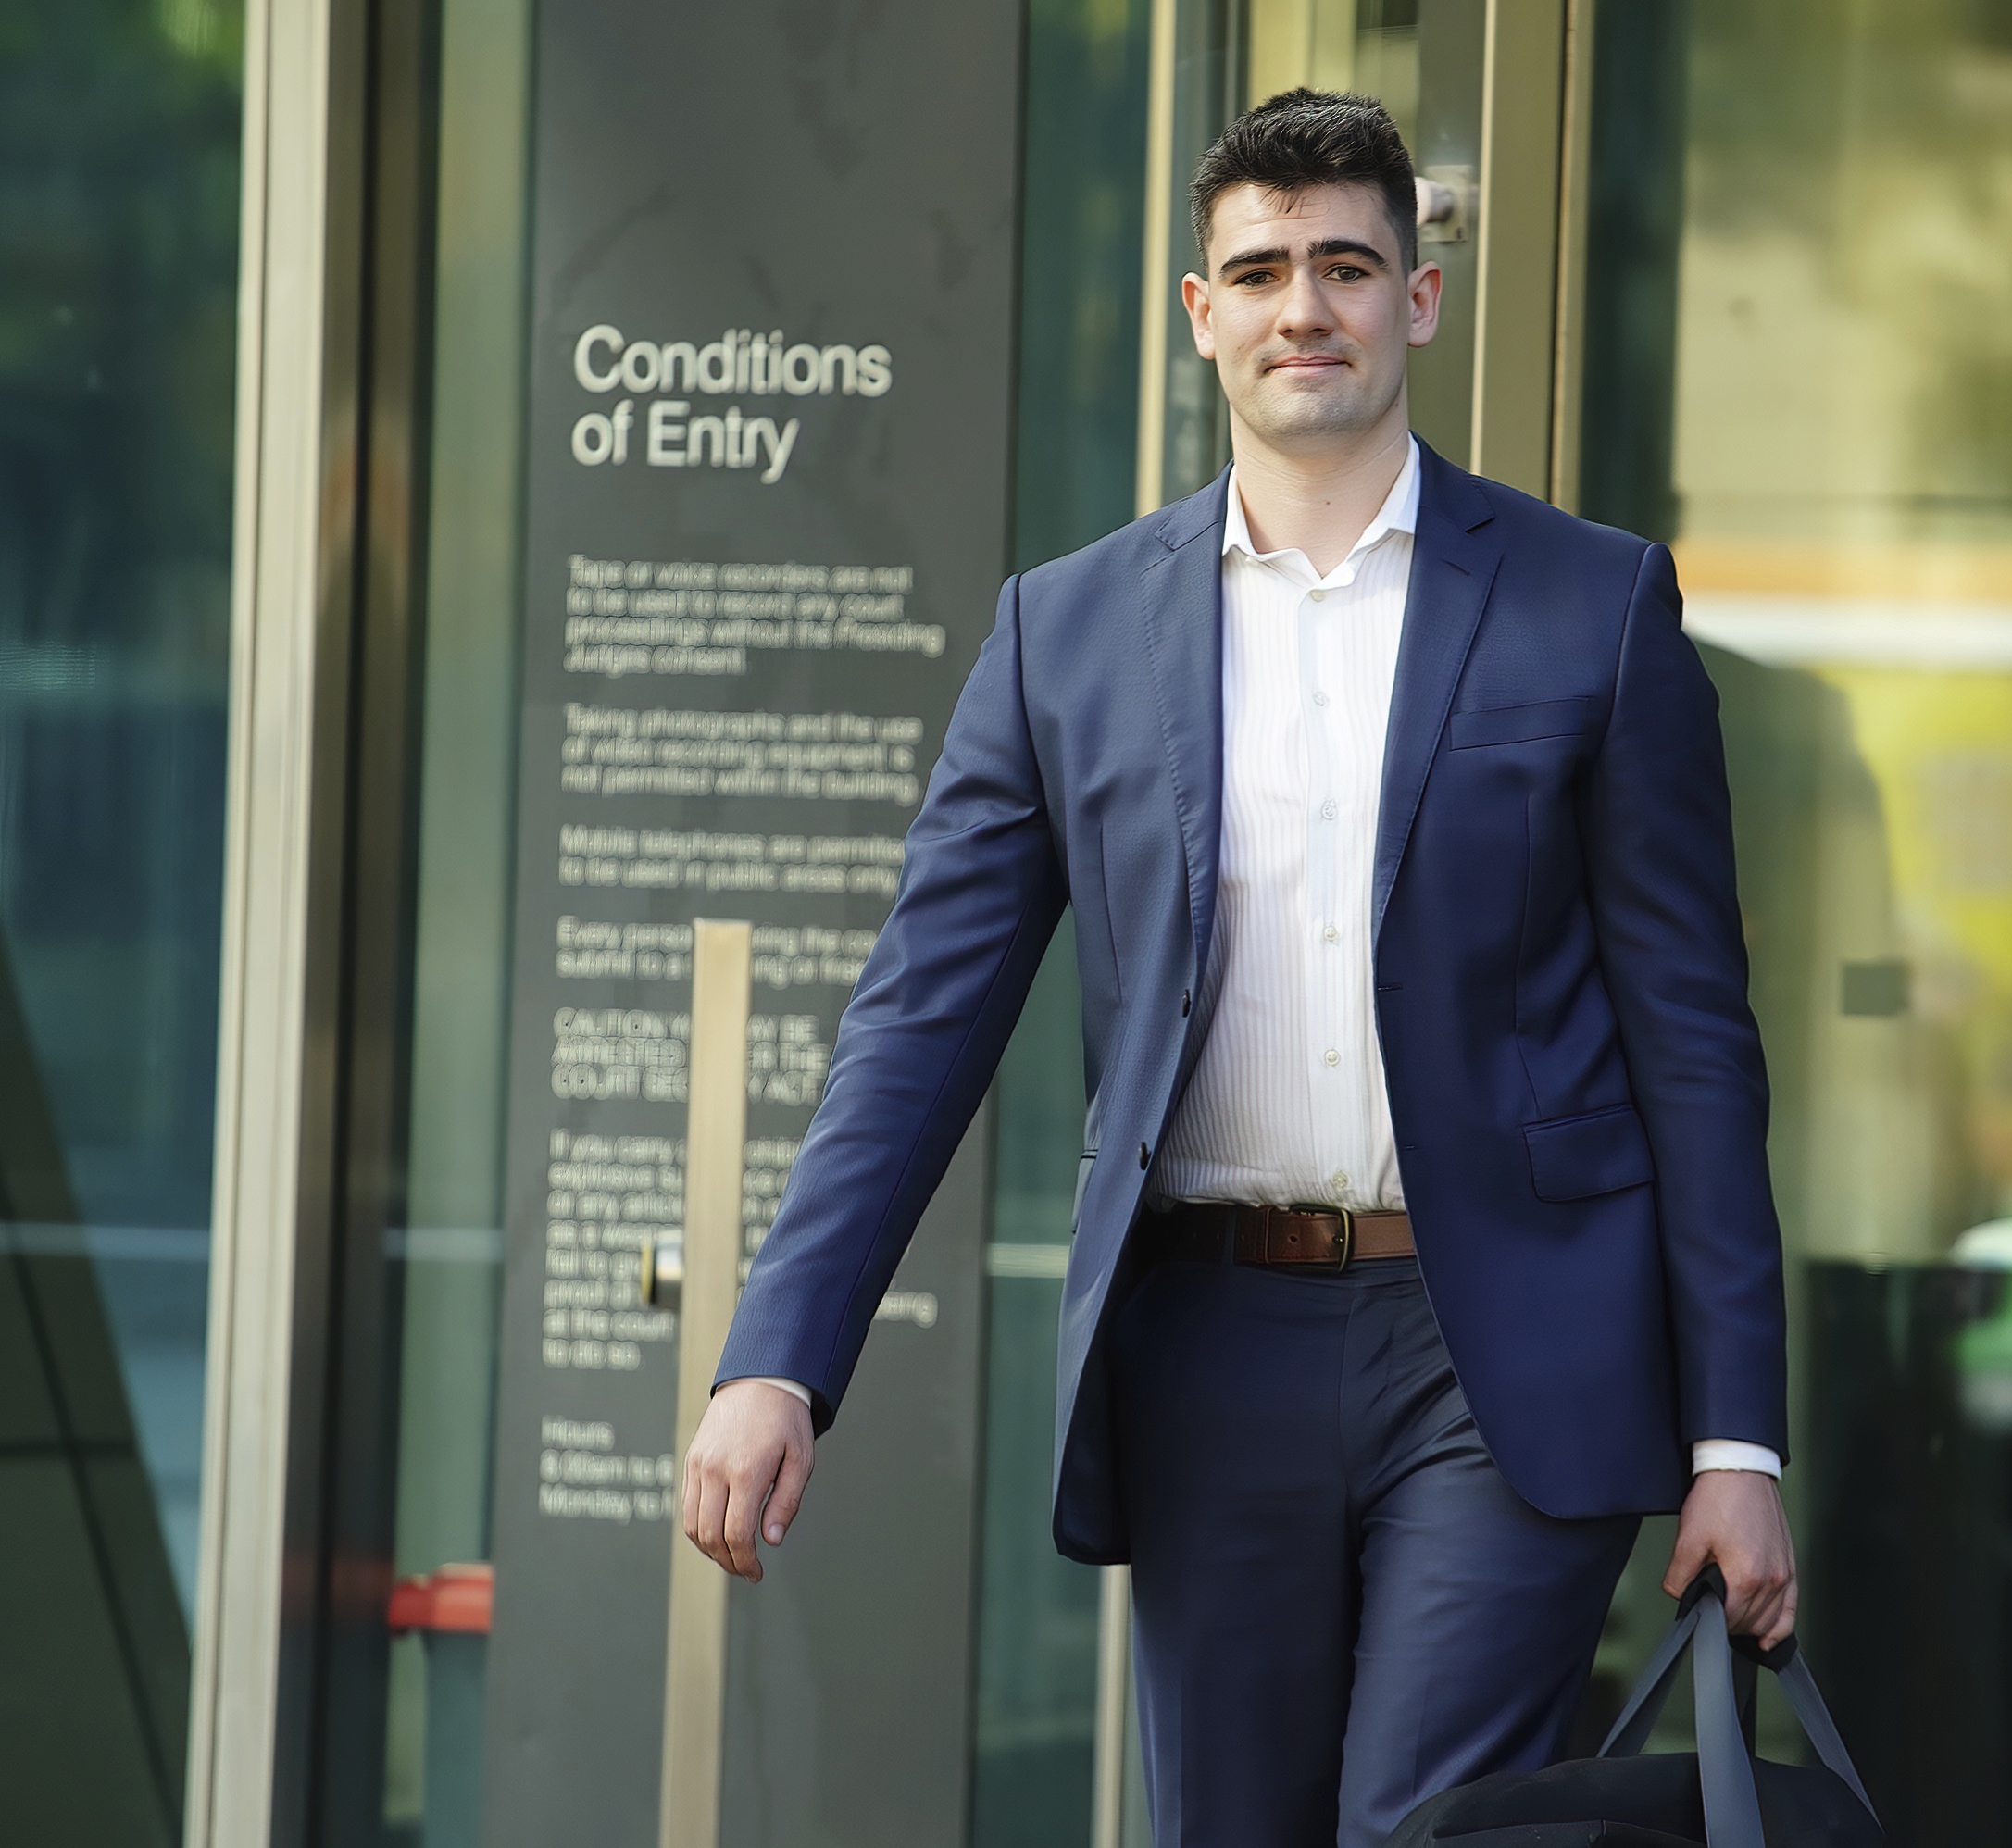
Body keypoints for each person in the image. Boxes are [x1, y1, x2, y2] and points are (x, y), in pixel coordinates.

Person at [681, 88, 1794, 1848]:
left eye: (1346, 265)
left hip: (1498, 1348)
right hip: (1208, 1340)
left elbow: (1695, 1045)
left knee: (1424, 1829)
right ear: (1201, 315)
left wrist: (1740, 1437)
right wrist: (777, 1359)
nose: (1306, 307)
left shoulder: (1597, 606)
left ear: (1417, 297)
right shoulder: (1065, 632)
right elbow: (919, 1023)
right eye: (1260, 271)